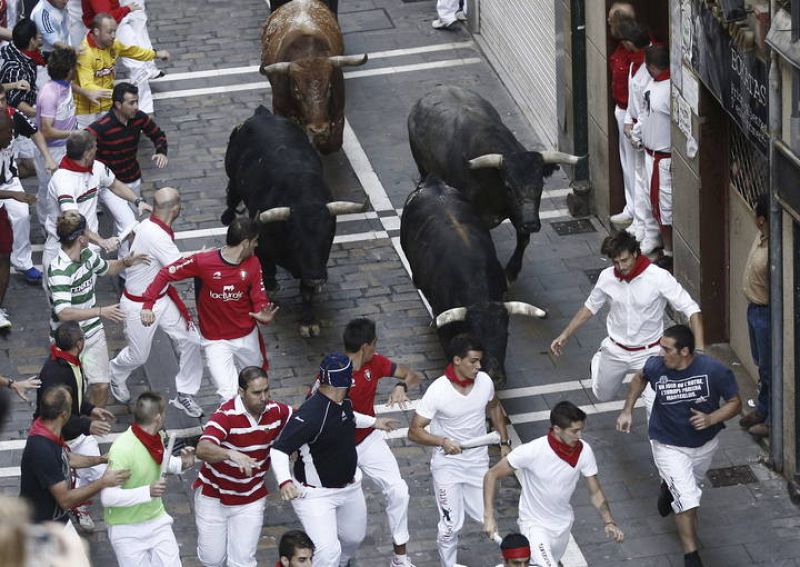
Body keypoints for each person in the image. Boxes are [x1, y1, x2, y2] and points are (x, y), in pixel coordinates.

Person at [616, 325, 741, 567]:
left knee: (689, 487)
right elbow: (639, 378)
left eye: (666, 349)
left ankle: (667, 487)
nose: (661, 353)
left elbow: (735, 403)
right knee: (689, 499)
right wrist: (627, 410)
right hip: (668, 444)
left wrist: (711, 418)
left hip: (704, 445)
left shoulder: (714, 370)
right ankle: (691, 555)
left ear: (685, 351)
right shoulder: (656, 366)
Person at [270, 353, 397, 567]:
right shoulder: (310, 416)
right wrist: (285, 481)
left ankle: (342, 563)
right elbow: (279, 449)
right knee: (327, 553)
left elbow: (349, 416)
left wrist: (375, 422)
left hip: (349, 487)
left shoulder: (342, 400)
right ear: (345, 382)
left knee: (353, 538)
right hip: (316, 495)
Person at [550, 230, 704, 405]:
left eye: (624, 260)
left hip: (650, 351)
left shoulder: (659, 277)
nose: (621, 266)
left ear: (636, 253)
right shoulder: (607, 277)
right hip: (616, 349)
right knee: (603, 395)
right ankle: (598, 361)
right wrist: (565, 334)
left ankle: (655, 432)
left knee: (655, 402)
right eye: (616, 262)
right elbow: (589, 308)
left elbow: (692, 310)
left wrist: (699, 351)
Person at [140, 217, 278, 401]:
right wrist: (148, 304)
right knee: (227, 395)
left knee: (257, 389)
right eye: (255, 241)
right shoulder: (202, 262)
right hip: (216, 341)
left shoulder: (253, 263)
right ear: (245, 243)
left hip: (247, 337)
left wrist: (263, 314)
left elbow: (258, 296)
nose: (256, 245)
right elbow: (166, 273)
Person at [407, 334, 511, 567]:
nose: (479, 366)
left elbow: (495, 407)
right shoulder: (438, 391)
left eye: (479, 361)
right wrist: (442, 441)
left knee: (487, 519)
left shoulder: (485, 382)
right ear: (456, 360)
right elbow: (414, 431)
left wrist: (504, 443)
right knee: (450, 525)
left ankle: (514, 559)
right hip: (448, 465)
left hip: (478, 464)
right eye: (473, 361)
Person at [484, 401, 624, 566]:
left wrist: (609, 521)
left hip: (562, 525)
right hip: (534, 525)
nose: (579, 436)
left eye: (581, 430)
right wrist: (489, 516)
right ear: (557, 429)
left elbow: (596, 492)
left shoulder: (584, 451)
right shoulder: (532, 451)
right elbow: (491, 475)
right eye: (574, 431)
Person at [333, 317, 422, 567]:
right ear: (366, 346)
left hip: (368, 441)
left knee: (399, 491)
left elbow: (412, 375)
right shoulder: (334, 372)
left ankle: (400, 558)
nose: (376, 347)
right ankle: (341, 559)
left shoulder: (376, 362)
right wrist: (374, 422)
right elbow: (333, 414)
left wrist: (401, 386)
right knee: (340, 509)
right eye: (375, 343)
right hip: (340, 449)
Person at [109, 186, 203, 417]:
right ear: (175, 209)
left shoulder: (151, 226)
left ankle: (185, 393)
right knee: (138, 356)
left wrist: (199, 257)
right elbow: (179, 268)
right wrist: (206, 259)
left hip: (162, 298)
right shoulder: (157, 235)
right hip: (139, 305)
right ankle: (115, 372)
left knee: (191, 340)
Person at [194, 366, 292, 567]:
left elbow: (303, 420)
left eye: (266, 390)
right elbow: (203, 448)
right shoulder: (226, 416)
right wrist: (230, 453)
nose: (264, 397)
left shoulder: (276, 411)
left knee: (243, 562)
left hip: (251, 498)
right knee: (211, 559)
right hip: (214, 497)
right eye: (257, 393)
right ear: (241, 392)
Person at [48, 210, 148, 406]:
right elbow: (63, 312)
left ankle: (92, 426)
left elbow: (106, 268)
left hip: (92, 330)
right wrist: (102, 311)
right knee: (68, 392)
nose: (89, 233)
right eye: (86, 231)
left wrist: (126, 262)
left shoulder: (85, 254)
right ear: (81, 239)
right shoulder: (60, 270)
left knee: (101, 384)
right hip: (67, 338)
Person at [35, 320, 115, 530]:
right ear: (79, 344)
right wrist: (88, 425)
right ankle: (75, 505)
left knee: (99, 472)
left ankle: (81, 500)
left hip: (76, 433)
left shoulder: (70, 361)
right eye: (83, 337)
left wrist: (89, 409)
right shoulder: (55, 373)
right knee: (64, 483)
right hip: (60, 440)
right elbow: (58, 417)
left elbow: (75, 397)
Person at [100, 391, 196, 567]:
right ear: (158, 418)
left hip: (156, 520)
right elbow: (108, 498)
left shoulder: (155, 437)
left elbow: (161, 461)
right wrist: (147, 491)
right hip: (126, 529)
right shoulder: (123, 450)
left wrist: (183, 463)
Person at [19, 385, 129, 530]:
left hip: (56, 518)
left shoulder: (46, 430)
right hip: (42, 528)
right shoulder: (42, 449)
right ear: (64, 414)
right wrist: (103, 482)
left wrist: (100, 459)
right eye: (72, 406)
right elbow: (65, 499)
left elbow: (65, 458)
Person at [42, 129, 151, 275]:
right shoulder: (63, 181)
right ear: (87, 154)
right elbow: (73, 221)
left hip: (89, 246)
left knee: (87, 296)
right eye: (94, 146)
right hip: (62, 249)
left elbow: (114, 184)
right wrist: (101, 241)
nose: (97, 149)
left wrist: (138, 201)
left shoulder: (97, 168)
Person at [0, 82, 56, 286]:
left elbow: (34, 132)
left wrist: (47, 156)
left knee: (22, 215)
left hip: (8, 180)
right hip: (6, 190)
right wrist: (14, 195)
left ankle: (22, 262)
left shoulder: (13, 115)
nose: (1, 105)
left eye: (3, 99)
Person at [74, 12, 168, 127]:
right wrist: (117, 94)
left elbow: (132, 51)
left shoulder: (113, 44)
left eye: (115, 31)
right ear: (97, 31)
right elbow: (87, 85)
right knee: (88, 140)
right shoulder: (85, 53)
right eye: (109, 32)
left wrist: (155, 54)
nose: (113, 35)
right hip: (86, 108)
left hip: (105, 103)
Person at [87, 82, 167, 200]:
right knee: (123, 218)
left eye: (136, 102)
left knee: (133, 214)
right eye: (131, 103)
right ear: (118, 104)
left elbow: (158, 135)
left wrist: (161, 151)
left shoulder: (140, 118)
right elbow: (81, 144)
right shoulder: (101, 127)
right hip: (110, 184)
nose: (136, 107)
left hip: (133, 178)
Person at [622, 21, 658, 247]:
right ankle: (638, 221)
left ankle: (649, 232)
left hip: (644, 132)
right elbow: (631, 96)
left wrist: (636, 132)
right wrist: (627, 120)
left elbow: (647, 104)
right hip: (634, 127)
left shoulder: (649, 65)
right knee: (636, 177)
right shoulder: (636, 63)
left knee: (646, 185)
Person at [739, 192, 771, 438]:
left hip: (765, 313)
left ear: (760, 220)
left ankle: (771, 420)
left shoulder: (773, 248)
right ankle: (763, 409)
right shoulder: (761, 236)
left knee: (769, 367)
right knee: (761, 364)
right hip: (754, 308)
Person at [33, 46, 77, 226]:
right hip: (52, 151)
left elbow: (72, 87)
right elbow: (47, 130)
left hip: (65, 146)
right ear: (69, 71)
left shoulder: (64, 84)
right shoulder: (50, 95)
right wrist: (74, 133)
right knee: (49, 192)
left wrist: (88, 93)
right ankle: (48, 226)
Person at [640, 44, 673, 268]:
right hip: (649, 154)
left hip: (664, 158)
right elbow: (644, 113)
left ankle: (669, 253)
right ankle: (664, 248)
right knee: (654, 205)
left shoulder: (671, 88)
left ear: (652, 66)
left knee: (665, 209)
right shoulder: (651, 84)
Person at [606, 2, 638, 231]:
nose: (608, 23)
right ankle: (630, 206)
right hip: (621, 108)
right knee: (625, 161)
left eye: (611, 20)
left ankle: (637, 212)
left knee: (635, 165)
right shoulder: (620, 48)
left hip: (631, 112)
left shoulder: (635, 52)